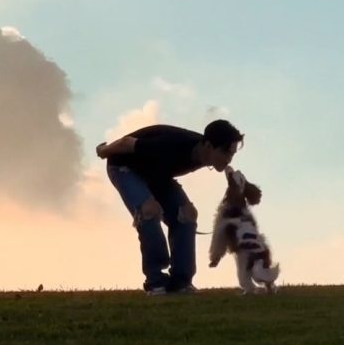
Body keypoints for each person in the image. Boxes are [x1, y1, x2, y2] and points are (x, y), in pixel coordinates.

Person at [96, 119, 248, 295]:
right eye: (225, 152)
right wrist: (103, 151)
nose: (229, 158)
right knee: (149, 211)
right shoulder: (174, 145)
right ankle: (156, 281)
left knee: (187, 214)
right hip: (124, 167)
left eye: (232, 154)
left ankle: (181, 282)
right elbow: (126, 143)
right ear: (208, 146)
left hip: (157, 174)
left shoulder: (206, 156)